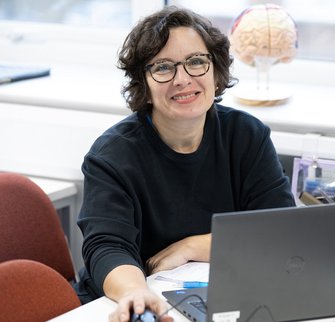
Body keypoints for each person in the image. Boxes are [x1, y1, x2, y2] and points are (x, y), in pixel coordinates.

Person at [74, 6, 296, 322]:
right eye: (163, 67)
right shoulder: (112, 156)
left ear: (216, 71)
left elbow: (279, 232)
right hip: (129, 307)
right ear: (144, 83)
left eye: (195, 62)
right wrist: (136, 293)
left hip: (217, 296)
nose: (183, 79)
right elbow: (107, 248)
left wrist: (192, 247)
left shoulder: (247, 135)